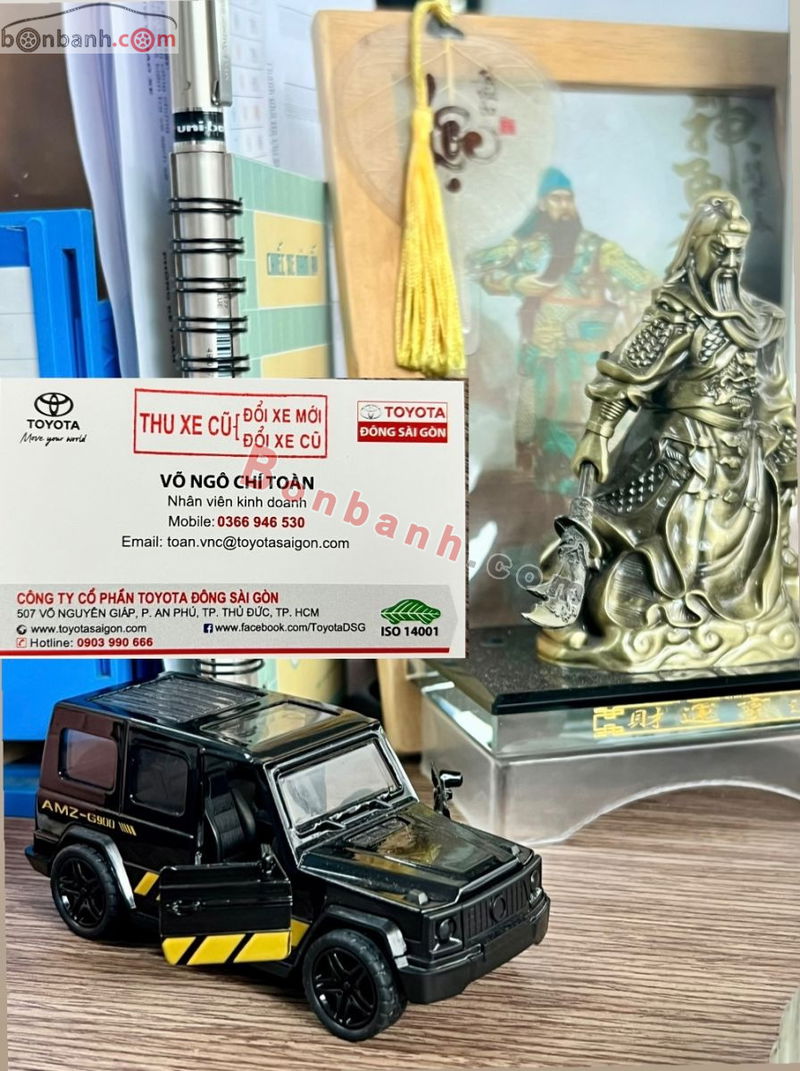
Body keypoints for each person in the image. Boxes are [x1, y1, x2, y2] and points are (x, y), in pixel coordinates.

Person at [536, 191, 799, 672]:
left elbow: (775, 393)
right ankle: (594, 608)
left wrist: (788, 459)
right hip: (680, 457)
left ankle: (717, 623)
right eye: (720, 249)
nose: (729, 262)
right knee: (644, 544)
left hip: (744, 466)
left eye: (737, 251)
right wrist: (598, 433)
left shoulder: (762, 322)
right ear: (697, 246)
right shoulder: (676, 312)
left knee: (741, 572)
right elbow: (626, 375)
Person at [469, 168, 655, 490]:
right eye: (556, 198)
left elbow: (646, 284)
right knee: (534, 428)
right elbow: (474, 266)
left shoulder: (598, 249)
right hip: (540, 354)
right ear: (542, 204)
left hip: (587, 359)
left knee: (585, 428)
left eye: (568, 199)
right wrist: (516, 282)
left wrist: (622, 320)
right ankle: (548, 493)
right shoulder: (527, 249)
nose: (564, 206)